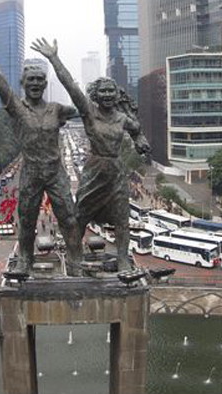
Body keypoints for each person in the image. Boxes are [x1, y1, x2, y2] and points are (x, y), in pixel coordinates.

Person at [0, 11, 82, 275]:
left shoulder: (57, 109)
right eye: (31, 80)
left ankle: (75, 261)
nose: (36, 83)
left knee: (69, 219)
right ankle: (25, 259)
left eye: (40, 80)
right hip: (30, 172)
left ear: (45, 84)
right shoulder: (16, 107)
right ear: (23, 84)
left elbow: (82, 103)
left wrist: (55, 59)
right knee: (26, 220)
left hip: (55, 171)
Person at [32, 38, 151, 272]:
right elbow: (71, 87)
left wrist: (141, 142)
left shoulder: (122, 119)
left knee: (122, 219)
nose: (107, 94)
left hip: (116, 172)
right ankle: (75, 259)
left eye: (111, 91)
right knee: (79, 217)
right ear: (96, 95)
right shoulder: (88, 112)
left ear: (117, 95)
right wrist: (54, 58)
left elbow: (138, 132)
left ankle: (124, 259)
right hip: (94, 170)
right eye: (103, 91)